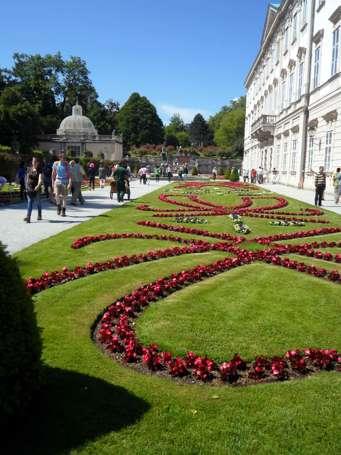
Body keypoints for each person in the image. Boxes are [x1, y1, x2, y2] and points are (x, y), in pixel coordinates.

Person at [52, 151, 71, 216]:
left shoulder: (67, 164)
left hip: (65, 181)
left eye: (64, 157)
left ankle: (63, 210)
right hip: (57, 181)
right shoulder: (55, 164)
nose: (63, 158)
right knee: (56, 195)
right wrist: (52, 182)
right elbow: (53, 174)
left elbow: (70, 175)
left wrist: (69, 184)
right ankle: (58, 206)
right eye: (61, 157)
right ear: (59, 157)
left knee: (64, 197)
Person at [24, 157, 43, 223]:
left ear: (38, 163)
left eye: (35, 161)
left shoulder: (40, 170)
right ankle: (28, 217)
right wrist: (26, 187)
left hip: (36, 189)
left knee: (38, 203)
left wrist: (38, 186)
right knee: (30, 201)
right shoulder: (29, 169)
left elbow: (40, 180)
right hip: (29, 188)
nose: (34, 162)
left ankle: (39, 214)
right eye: (33, 161)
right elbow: (26, 179)